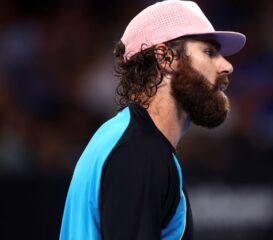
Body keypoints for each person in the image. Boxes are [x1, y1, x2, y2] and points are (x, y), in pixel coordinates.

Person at [59, 0, 246, 239]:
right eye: (208, 52)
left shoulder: (129, 140)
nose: (227, 66)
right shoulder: (138, 152)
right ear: (165, 58)